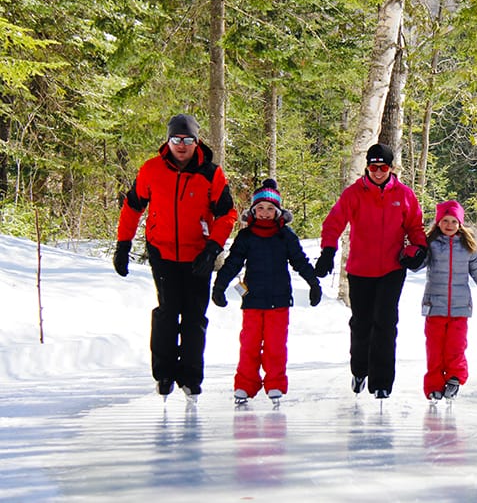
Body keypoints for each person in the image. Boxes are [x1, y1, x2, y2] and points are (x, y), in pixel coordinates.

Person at [113, 113, 238, 402]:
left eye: (188, 140)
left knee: (194, 317)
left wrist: (213, 248)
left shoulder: (211, 173)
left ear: (197, 141)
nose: (181, 145)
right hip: (163, 251)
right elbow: (133, 206)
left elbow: (227, 214)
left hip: (198, 254)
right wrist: (123, 245)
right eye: (176, 139)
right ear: (168, 141)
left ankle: (191, 378)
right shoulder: (151, 169)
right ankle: (164, 374)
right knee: (168, 313)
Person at [314, 143, 427, 399]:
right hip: (360, 269)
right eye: (373, 167)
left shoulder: (404, 194)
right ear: (367, 167)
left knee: (385, 323)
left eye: (383, 168)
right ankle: (359, 370)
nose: (378, 172)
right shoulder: (354, 193)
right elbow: (333, 223)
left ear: (391, 168)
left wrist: (419, 248)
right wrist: (328, 251)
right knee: (362, 322)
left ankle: (382, 382)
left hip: (392, 268)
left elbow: (415, 226)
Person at [211, 179, 322, 406]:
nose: (264, 213)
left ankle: (275, 384)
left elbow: (300, 261)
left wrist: (313, 283)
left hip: (279, 301)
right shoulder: (246, 236)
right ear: (253, 211)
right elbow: (233, 263)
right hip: (252, 301)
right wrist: (219, 286)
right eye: (260, 208)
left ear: (277, 211)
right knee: (249, 345)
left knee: (275, 347)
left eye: (270, 208)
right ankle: (245, 384)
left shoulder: (285, 236)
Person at [417, 200, 477, 402]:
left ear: (460, 223)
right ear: (438, 222)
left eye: (454, 221)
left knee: (456, 346)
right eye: (445, 220)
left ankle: (454, 378)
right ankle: (434, 386)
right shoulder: (431, 244)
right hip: (434, 306)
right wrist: (411, 253)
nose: (449, 225)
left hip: (460, 308)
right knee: (434, 350)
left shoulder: (467, 247)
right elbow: (417, 264)